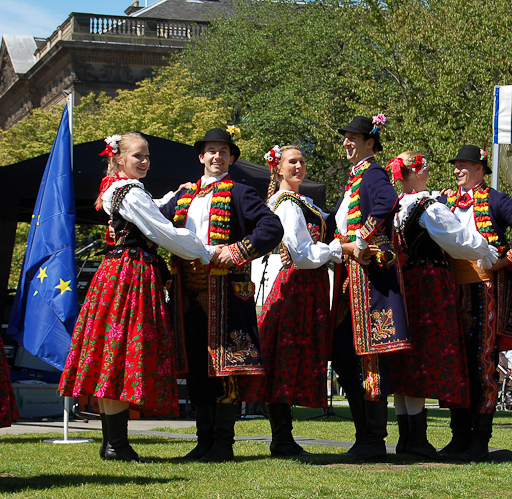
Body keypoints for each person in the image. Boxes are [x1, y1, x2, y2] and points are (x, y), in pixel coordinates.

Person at [59, 133, 218, 462]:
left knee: (110, 357)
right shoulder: (130, 192)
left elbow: (151, 210)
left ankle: (112, 443)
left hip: (114, 276)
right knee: (118, 357)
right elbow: (162, 230)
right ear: (119, 159)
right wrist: (205, 251)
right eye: (138, 156)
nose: (145, 161)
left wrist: (176, 195)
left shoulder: (115, 188)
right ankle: (116, 444)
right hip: (130, 278)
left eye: (147, 156)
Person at [161, 128, 283, 462]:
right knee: (199, 368)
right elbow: (154, 222)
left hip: (227, 292)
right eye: (211, 151)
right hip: (188, 292)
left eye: (223, 152)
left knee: (227, 366)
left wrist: (238, 250)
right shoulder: (182, 197)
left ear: (230, 158)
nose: (217, 157)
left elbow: (271, 228)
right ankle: (203, 441)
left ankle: (223, 443)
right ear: (201, 157)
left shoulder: (241, 192)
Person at [387, 151, 498, 460]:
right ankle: (418, 441)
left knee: (406, 361)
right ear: (417, 172)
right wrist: (485, 248)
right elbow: (458, 239)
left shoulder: (395, 206)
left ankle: (407, 438)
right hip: (428, 286)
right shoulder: (428, 206)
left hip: (404, 284)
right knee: (423, 357)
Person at [440, 145, 512, 462]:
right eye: (456, 165)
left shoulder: (495, 200)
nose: (458, 170)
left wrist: (506, 262)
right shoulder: (447, 202)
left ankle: (480, 439)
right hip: (453, 290)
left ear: (480, 168)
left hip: (486, 289)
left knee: (483, 361)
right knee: (457, 362)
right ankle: (459, 436)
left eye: (464, 165)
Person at [251, 144, 342, 456]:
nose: (299, 166)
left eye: (302, 161)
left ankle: (283, 437)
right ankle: (281, 438)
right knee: (283, 357)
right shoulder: (286, 203)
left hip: (311, 285)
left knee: (291, 356)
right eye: (292, 162)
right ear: (278, 168)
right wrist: (337, 250)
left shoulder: (304, 202)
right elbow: (301, 253)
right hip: (297, 284)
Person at [328, 114, 410, 460]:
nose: (347, 142)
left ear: (369, 143)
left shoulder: (373, 173)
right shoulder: (355, 178)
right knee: (346, 355)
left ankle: (373, 439)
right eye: (345, 137)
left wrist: (362, 237)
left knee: (368, 357)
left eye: (353, 138)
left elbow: (387, 203)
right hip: (351, 280)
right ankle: (365, 435)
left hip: (369, 281)